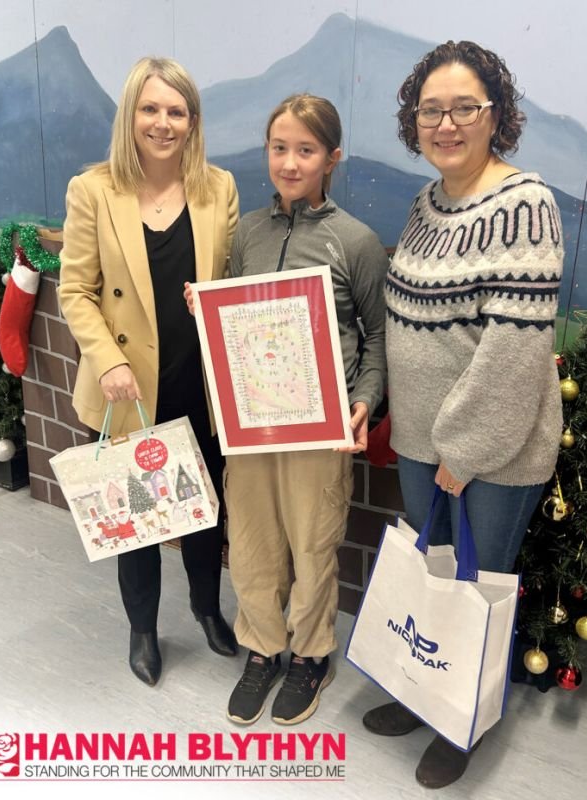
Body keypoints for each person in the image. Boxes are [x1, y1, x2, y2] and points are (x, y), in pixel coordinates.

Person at [362, 41, 564, 788]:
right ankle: (424, 690)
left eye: (464, 109)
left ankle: (463, 721)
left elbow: (515, 351)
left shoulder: (526, 205)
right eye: (430, 111)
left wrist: (466, 449)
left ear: (496, 115)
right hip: (423, 442)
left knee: (479, 588)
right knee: (433, 574)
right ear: (413, 121)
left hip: (493, 449)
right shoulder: (428, 203)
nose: (445, 124)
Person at [196, 94, 388, 726]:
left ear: (332, 158)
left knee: (312, 546)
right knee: (252, 545)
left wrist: (364, 401)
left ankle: (310, 655)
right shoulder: (248, 233)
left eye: (306, 150)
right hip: (252, 425)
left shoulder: (355, 241)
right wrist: (208, 311)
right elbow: (233, 321)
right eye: (279, 148)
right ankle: (262, 647)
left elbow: (378, 338)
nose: (290, 162)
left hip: (319, 431)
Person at [58, 56, 239, 687]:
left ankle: (207, 608)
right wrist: (107, 360)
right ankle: (142, 628)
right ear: (131, 114)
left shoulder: (219, 188)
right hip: (126, 386)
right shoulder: (93, 190)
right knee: (134, 516)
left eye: (177, 111)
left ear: (193, 121)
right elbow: (76, 291)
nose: (163, 123)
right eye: (151, 109)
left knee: (203, 507)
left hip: (198, 381)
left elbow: (232, 281)